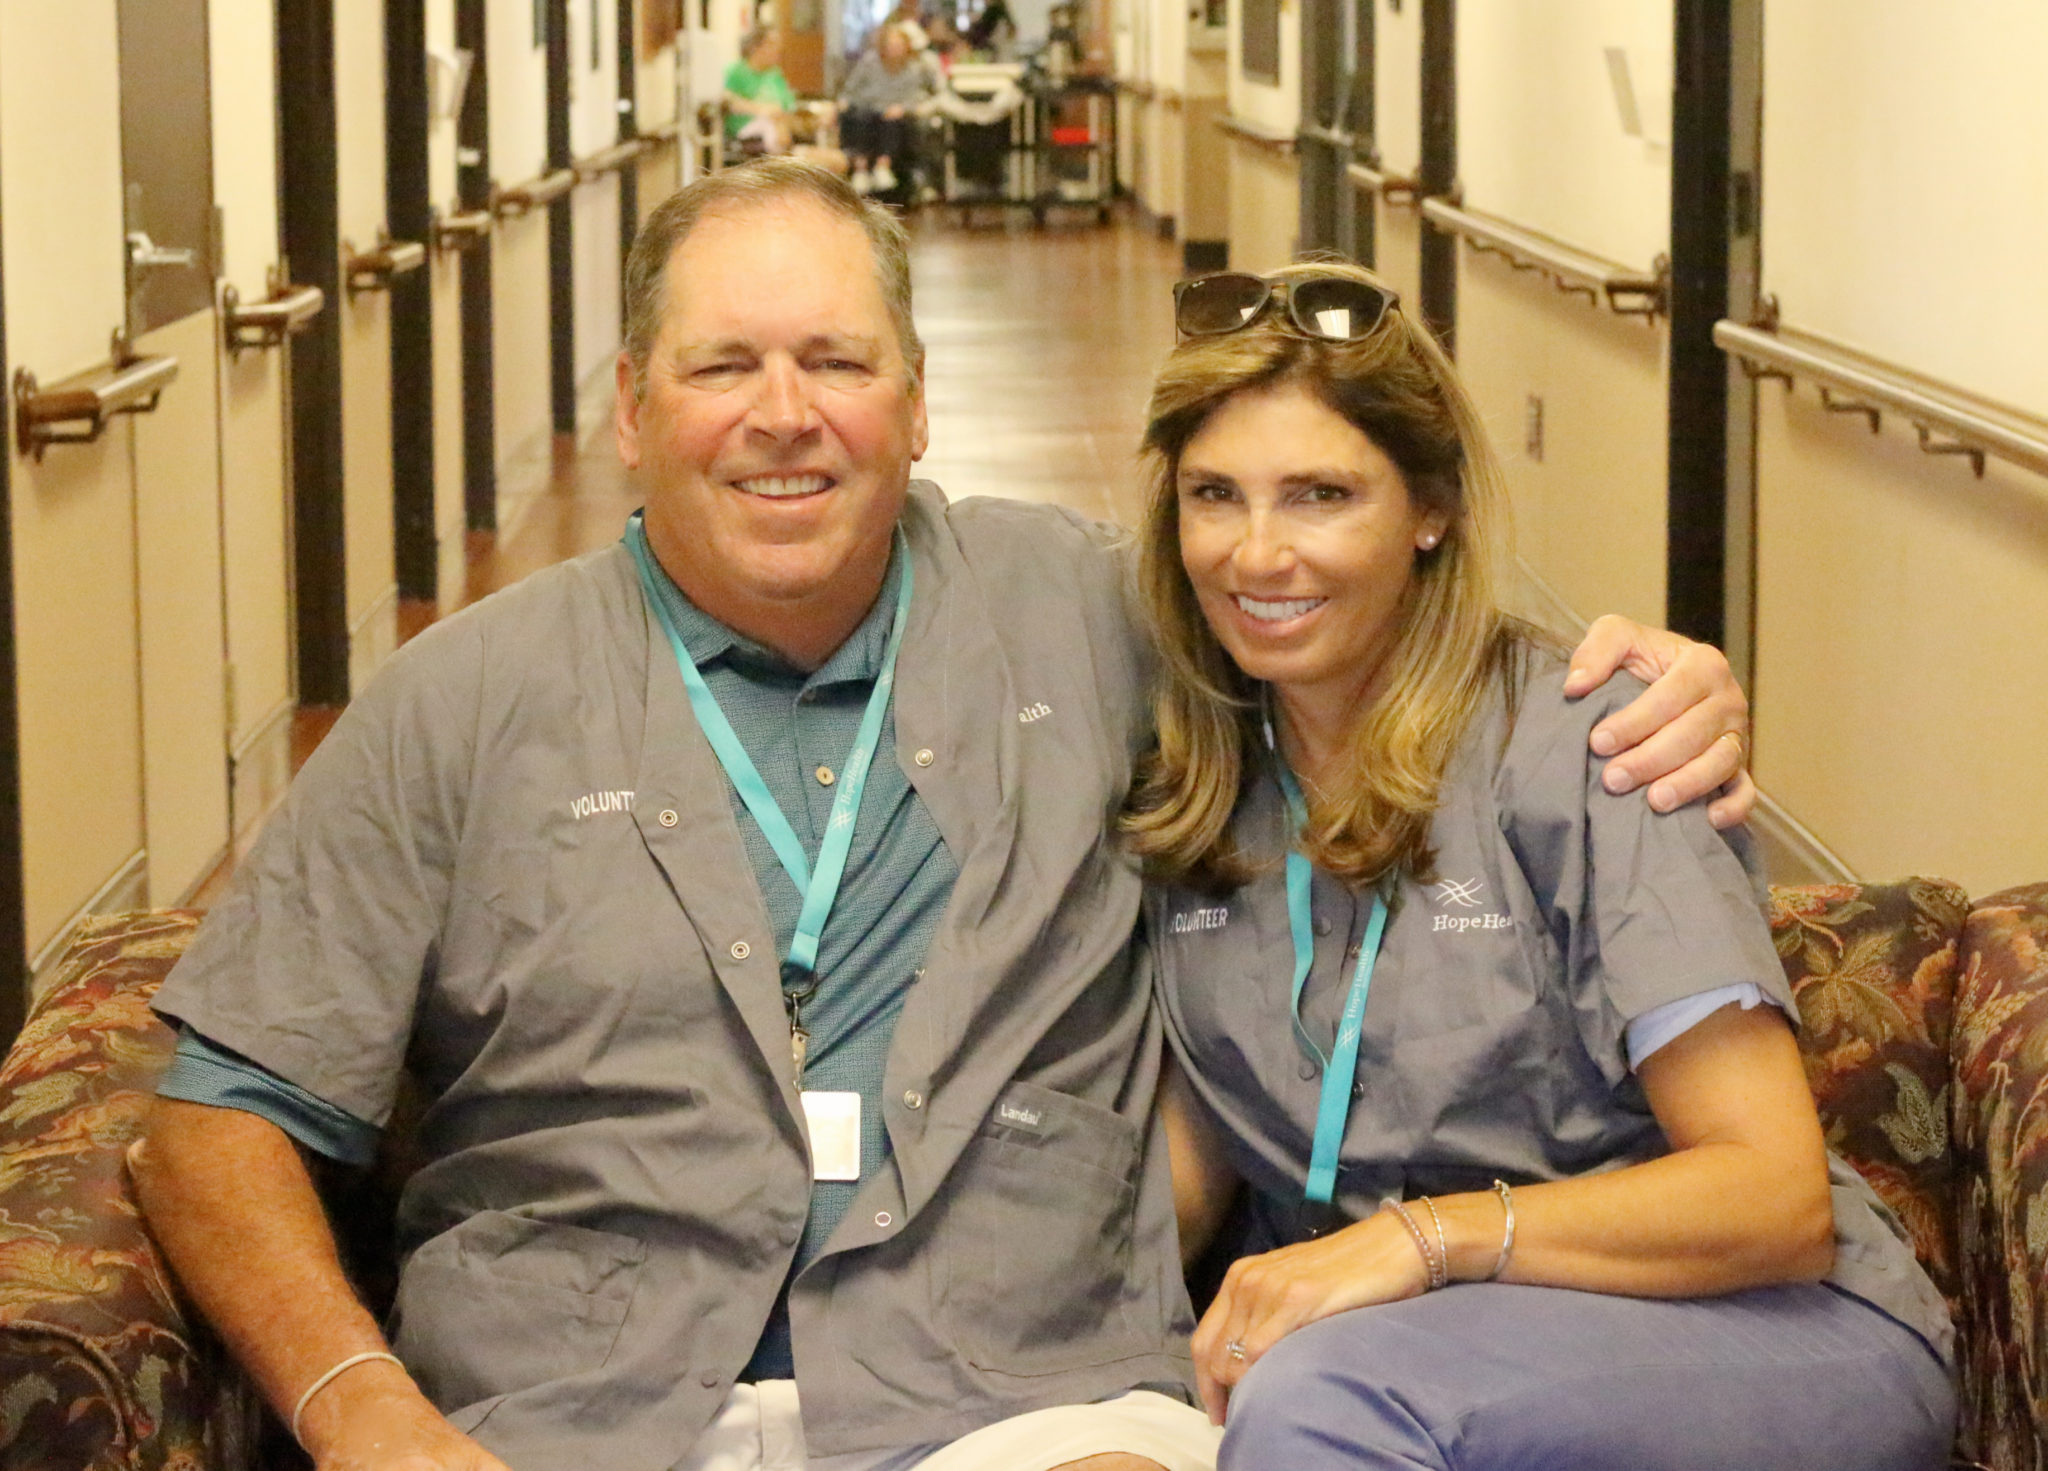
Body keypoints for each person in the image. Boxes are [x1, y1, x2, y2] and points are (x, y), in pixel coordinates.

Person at [129, 162, 1754, 1471]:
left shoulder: (1108, 620)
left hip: (1026, 1401)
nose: (784, 413)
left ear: (916, 403)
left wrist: (1642, 682)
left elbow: (1370, 641)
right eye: (723, 366)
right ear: (629, 407)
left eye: (836, 362)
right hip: (575, 1410)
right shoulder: (455, 702)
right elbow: (214, 1115)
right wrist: (362, 1408)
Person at [1125, 264, 1957, 1470]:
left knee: (1319, 1403)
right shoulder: (1196, 767)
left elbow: (1769, 1199)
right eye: (1214, 495)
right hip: (1423, 1342)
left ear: (1430, 509)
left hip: (1751, 1325)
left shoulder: (1594, 744)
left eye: (1319, 494)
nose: (1258, 553)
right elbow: (1213, 1118)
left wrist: (1419, 1239)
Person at [840, 24, 935, 196]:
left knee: (892, 121)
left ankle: (883, 167)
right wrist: (843, 102)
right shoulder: (869, 62)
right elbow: (851, 89)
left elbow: (918, 97)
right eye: (891, 45)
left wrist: (903, 108)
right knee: (859, 117)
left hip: (893, 115)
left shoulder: (914, 69)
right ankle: (860, 169)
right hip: (867, 109)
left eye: (898, 45)